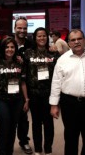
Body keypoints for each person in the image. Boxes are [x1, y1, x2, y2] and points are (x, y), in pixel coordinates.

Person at [0, 37, 29, 155]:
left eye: (12, 47)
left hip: (17, 100)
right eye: (7, 47)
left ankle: (9, 152)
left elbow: (22, 82)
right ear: (3, 48)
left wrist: (26, 99)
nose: (10, 49)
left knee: (13, 128)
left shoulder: (19, 63)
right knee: (4, 128)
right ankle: (1, 152)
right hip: (2, 100)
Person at [24, 27, 59, 155]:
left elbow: (59, 73)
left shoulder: (53, 53)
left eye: (44, 35)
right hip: (34, 93)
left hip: (49, 94)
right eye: (39, 36)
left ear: (47, 37)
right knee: (36, 122)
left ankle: (48, 149)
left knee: (48, 122)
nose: (42, 38)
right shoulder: (28, 53)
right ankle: (38, 149)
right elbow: (24, 72)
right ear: (35, 38)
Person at [14, 16, 33, 154]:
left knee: (23, 118)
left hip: (25, 86)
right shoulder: (6, 43)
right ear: (15, 28)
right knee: (6, 120)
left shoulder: (31, 44)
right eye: (19, 27)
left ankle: (24, 141)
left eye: (25, 28)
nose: (22, 30)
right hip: (7, 86)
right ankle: (4, 145)